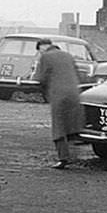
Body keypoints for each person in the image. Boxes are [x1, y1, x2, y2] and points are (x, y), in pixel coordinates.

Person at [35, 37, 83, 167]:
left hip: (58, 95)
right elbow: (79, 75)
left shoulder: (46, 57)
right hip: (74, 93)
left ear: (42, 48)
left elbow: (40, 78)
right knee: (73, 124)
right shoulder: (68, 56)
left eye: (40, 51)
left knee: (59, 126)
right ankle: (75, 155)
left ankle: (63, 158)